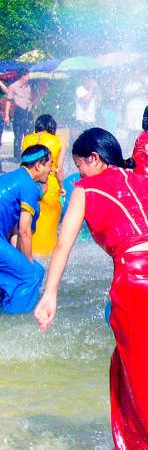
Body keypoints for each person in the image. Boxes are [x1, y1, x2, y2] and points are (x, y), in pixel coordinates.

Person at [34, 129, 148, 450]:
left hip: (138, 283)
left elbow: (63, 245)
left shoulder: (85, 190)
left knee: (144, 383)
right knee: (133, 371)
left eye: (79, 165)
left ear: (95, 159)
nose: (78, 174)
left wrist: (50, 294)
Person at [0, 145, 51, 312]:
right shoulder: (29, 183)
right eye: (50, 164)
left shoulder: (13, 177)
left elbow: (15, 234)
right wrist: (27, 264)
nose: (51, 170)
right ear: (38, 166)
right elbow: (23, 231)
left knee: (34, 270)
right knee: (32, 274)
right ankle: (14, 324)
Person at [20, 115, 64, 256]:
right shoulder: (56, 141)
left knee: (28, 222)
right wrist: (62, 187)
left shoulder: (27, 139)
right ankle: (47, 255)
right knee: (49, 228)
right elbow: (58, 170)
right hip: (50, 186)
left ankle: (29, 252)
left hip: (30, 185)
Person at [6, 72, 36, 162]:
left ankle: (28, 154)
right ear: (23, 76)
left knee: (29, 134)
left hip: (28, 111)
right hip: (18, 111)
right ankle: (17, 156)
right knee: (18, 135)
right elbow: (9, 101)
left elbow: (31, 98)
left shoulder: (28, 86)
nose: (29, 77)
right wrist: (7, 115)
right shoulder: (13, 87)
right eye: (27, 75)